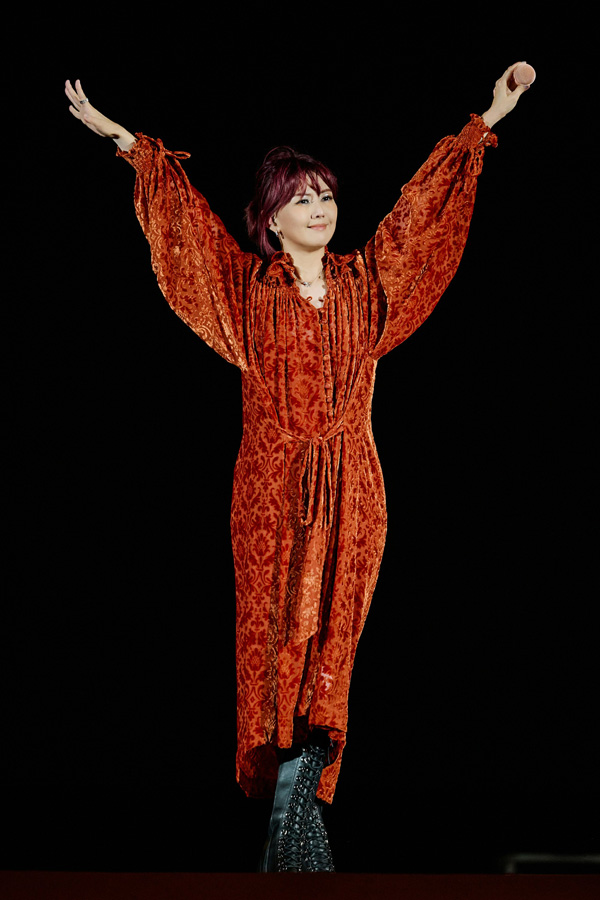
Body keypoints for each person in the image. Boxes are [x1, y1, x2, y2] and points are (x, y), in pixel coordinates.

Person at [64, 65, 531, 872]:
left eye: (325, 196)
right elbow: (185, 230)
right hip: (271, 493)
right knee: (276, 639)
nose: (320, 208)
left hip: (354, 488)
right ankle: (291, 819)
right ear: (273, 220)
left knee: (332, 648)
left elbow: (418, 216)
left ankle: (301, 806)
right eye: (302, 199)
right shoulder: (248, 293)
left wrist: (490, 116)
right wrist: (123, 140)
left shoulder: (366, 286)